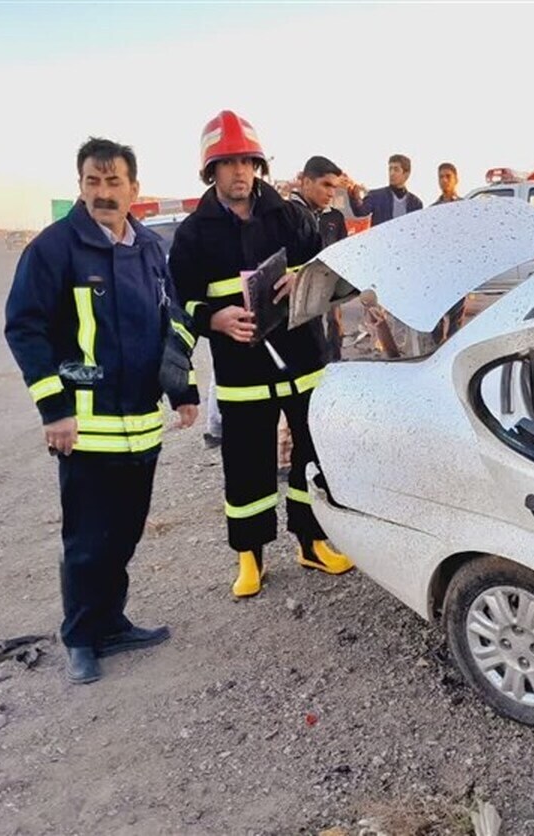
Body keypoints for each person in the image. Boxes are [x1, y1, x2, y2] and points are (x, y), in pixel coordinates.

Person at [4, 137, 199, 685]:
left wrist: (180, 391)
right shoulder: (54, 248)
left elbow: (170, 323)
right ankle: (82, 638)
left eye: (114, 183)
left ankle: (112, 622)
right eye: (93, 182)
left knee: (125, 535)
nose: (103, 193)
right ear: (80, 186)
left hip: (139, 428)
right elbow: (25, 327)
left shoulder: (149, 250)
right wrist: (54, 410)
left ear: (134, 188)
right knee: (88, 542)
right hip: (84, 430)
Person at [169, 111, 354, 599]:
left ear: (258, 166)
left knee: (313, 457)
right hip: (242, 370)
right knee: (246, 465)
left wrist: (305, 278)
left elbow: (334, 272)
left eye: (246, 162)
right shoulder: (193, 234)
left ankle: (311, 542)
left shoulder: (291, 216)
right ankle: (249, 558)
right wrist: (213, 318)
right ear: (211, 171)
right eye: (227, 163)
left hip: (302, 362)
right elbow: (178, 300)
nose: (239, 173)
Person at [288, 155, 350, 361]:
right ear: (306, 182)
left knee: (330, 341)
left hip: (326, 293)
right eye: (325, 185)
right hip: (294, 304)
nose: (331, 193)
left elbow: (342, 253)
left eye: (334, 187)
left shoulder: (333, 217)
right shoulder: (287, 216)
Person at [346, 154, 423, 226]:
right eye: (390, 169)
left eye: (396, 169)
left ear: (406, 174)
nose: (391, 173)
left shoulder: (416, 203)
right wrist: (355, 197)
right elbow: (360, 212)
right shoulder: (376, 196)